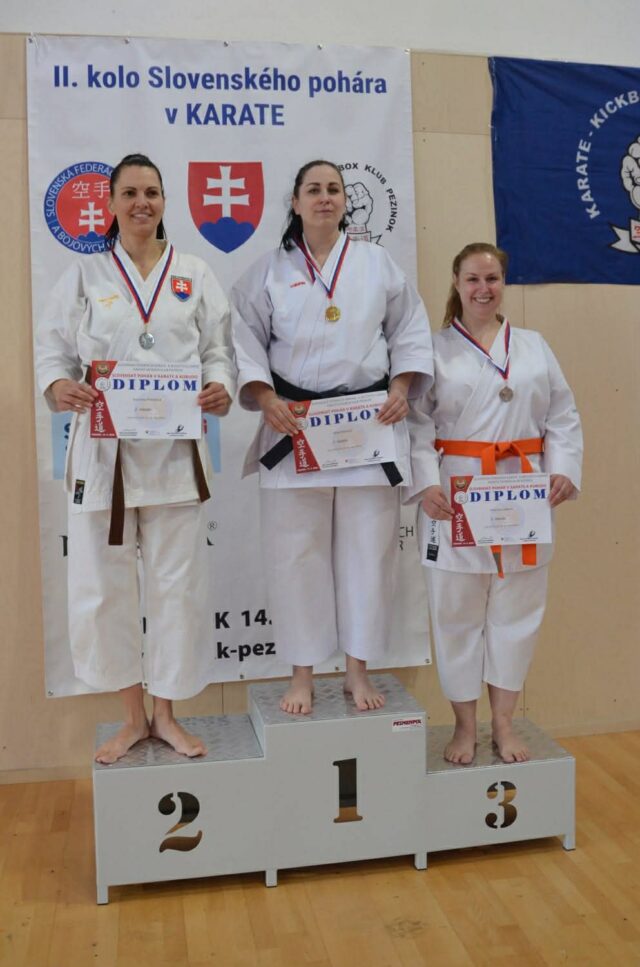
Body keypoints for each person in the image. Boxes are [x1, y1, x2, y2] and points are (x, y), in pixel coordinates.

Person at [36, 153, 236, 764]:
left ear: (164, 201)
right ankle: (131, 717)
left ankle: (166, 716)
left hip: (175, 458)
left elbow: (218, 350)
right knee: (105, 589)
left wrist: (220, 386)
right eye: (129, 193)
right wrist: (57, 386)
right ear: (111, 204)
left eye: (151, 192)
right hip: (105, 459)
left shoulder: (194, 272)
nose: (141, 203)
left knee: (178, 589)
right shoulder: (84, 274)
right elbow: (52, 352)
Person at [231, 159, 433, 715]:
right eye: (314, 190)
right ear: (295, 203)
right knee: (296, 555)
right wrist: (265, 398)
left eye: (334, 190)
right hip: (295, 425)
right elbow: (242, 340)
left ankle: (356, 671)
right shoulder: (268, 271)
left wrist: (401, 386)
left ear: (346, 202)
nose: (325, 197)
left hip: (367, 425)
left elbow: (409, 329)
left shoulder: (376, 263)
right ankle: (302, 675)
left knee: (369, 552)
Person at [411, 242, 582, 764]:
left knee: (516, 614)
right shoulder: (433, 349)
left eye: (492, 279)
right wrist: (425, 484)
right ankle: (465, 727)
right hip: (457, 492)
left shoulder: (533, 346)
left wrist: (563, 470)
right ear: (456, 283)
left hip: (522, 490)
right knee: (456, 615)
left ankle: (504, 724)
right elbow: (416, 424)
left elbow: (563, 416)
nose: (483, 289)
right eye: (473, 279)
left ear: (504, 283)